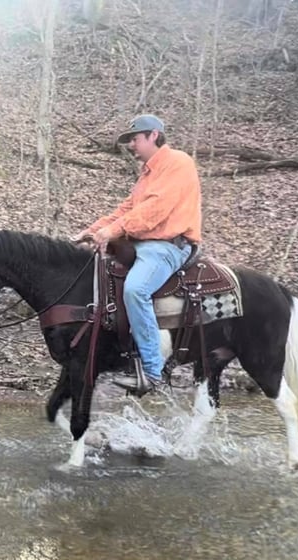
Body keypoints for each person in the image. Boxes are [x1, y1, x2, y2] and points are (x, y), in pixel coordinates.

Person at [72, 114, 202, 391]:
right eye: (130, 140)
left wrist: (111, 232)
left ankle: (152, 372)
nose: (132, 145)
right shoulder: (146, 175)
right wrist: (92, 231)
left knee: (135, 290)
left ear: (154, 135)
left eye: (135, 138)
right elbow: (126, 210)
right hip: (140, 245)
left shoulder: (178, 163)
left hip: (167, 246)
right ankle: (120, 354)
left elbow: (154, 210)